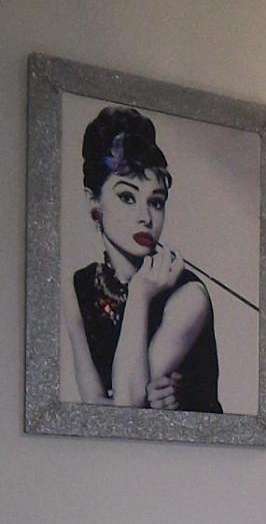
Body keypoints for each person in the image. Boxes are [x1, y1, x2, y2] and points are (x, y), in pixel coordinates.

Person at [63, 106, 222, 412]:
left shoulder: (189, 297)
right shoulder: (78, 286)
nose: (145, 217)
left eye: (156, 202)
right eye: (127, 197)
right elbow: (92, 405)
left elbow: (127, 406)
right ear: (93, 202)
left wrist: (139, 295)